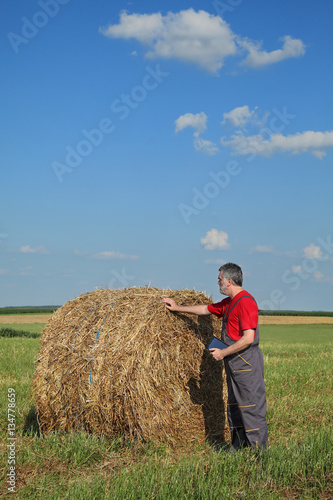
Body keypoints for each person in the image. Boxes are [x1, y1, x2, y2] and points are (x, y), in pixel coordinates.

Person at [162, 262, 268, 451]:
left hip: (246, 363)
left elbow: (248, 338)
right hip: (234, 363)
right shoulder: (229, 302)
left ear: (229, 281)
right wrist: (178, 308)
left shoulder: (246, 302)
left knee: (251, 407)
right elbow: (206, 309)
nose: (217, 282)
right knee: (235, 406)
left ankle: (258, 454)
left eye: (219, 279)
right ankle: (239, 449)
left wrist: (223, 353)